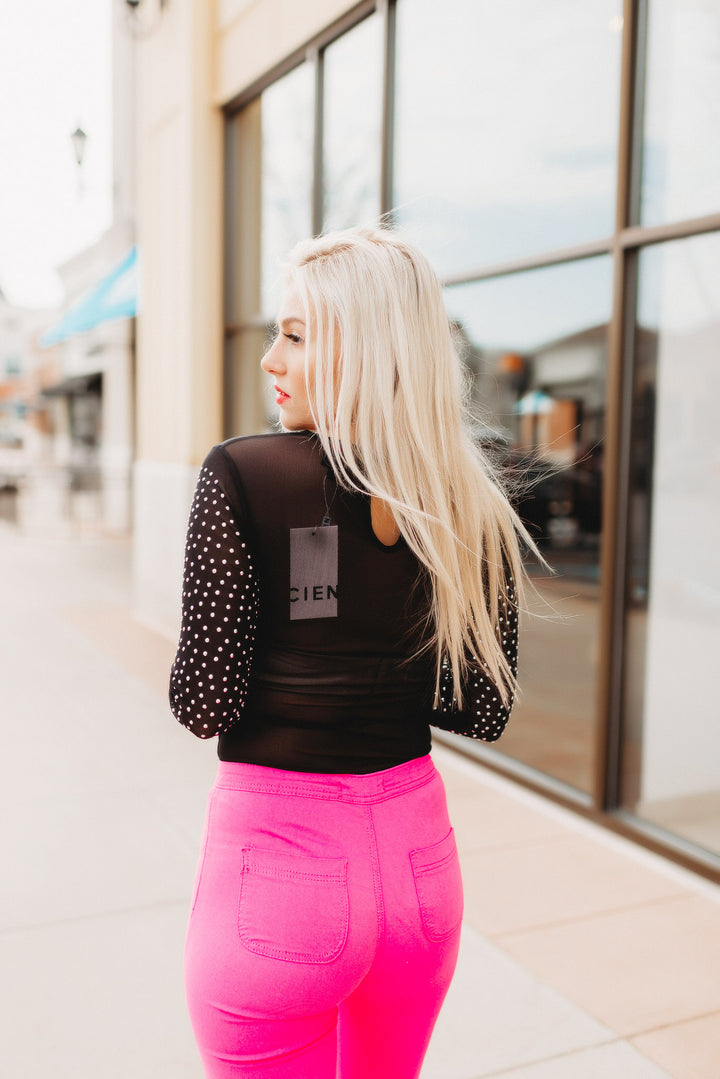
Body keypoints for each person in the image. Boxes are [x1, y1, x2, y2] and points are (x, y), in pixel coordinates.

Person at [169, 226, 533, 1079]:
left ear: (361, 349)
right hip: (419, 875)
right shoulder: (464, 501)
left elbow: (202, 702)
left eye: (294, 335)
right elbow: (482, 707)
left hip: (279, 875)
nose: (270, 358)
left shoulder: (245, 474)